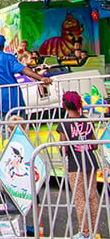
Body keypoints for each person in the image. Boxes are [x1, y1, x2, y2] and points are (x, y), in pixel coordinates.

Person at [57, 91, 99, 239]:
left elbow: (64, 148)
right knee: (92, 196)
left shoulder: (64, 124)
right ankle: (93, 230)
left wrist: (62, 149)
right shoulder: (87, 121)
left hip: (76, 164)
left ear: (64, 105)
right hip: (91, 162)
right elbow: (94, 145)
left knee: (80, 198)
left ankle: (84, 232)